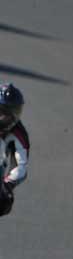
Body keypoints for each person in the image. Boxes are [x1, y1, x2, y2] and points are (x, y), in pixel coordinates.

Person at [0, 83, 30, 216]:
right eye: (3, 112)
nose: (9, 117)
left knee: (4, 203)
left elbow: (21, 166)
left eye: (13, 112)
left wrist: (7, 184)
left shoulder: (18, 132)